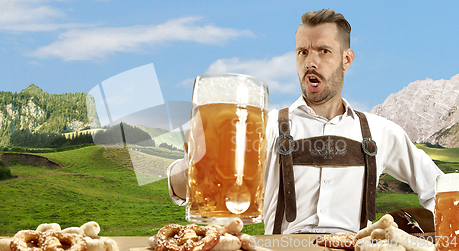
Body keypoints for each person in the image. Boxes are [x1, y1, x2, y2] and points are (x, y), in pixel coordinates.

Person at [166, 9, 443, 234]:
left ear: (346, 59)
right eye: (302, 52)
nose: (311, 62)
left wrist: (423, 234)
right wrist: (194, 165)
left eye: (323, 51)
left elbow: (441, 189)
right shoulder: (265, 126)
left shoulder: (381, 132)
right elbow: (184, 190)